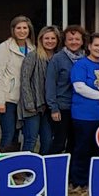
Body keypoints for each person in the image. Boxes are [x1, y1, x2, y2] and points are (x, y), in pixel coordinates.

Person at [69, 32, 99, 189]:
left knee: (98, 148)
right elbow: (79, 87)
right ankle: (79, 181)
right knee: (83, 148)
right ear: (89, 46)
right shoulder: (81, 65)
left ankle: (96, 179)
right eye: (96, 45)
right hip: (84, 115)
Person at [0, 15, 34, 151]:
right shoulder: (5, 47)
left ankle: (14, 161)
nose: (22, 31)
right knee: (8, 134)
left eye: (25, 28)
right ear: (13, 30)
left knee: (17, 134)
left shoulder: (32, 48)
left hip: (23, 100)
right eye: (18, 28)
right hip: (7, 98)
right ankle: (3, 160)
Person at [18, 26, 60, 159]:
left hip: (49, 106)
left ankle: (41, 167)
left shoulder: (58, 58)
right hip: (33, 105)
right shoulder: (33, 56)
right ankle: (23, 166)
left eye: (53, 38)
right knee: (31, 139)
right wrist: (29, 103)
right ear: (40, 39)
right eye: (46, 38)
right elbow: (25, 80)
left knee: (47, 140)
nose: (50, 41)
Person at [46, 25, 85, 156]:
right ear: (65, 41)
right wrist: (53, 108)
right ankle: (49, 166)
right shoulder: (57, 59)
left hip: (79, 108)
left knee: (74, 142)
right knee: (59, 142)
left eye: (77, 39)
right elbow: (50, 85)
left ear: (82, 41)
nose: (74, 42)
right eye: (70, 39)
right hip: (62, 108)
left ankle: (70, 168)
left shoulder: (85, 59)